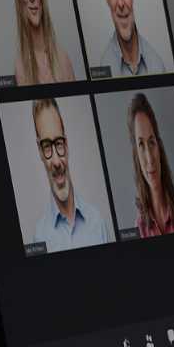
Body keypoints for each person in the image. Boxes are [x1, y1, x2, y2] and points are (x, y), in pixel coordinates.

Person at [24, 100, 105, 253]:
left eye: (59, 143)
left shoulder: (98, 221)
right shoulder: (39, 238)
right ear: (40, 152)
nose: (56, 161)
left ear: (66, 145)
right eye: (47, 146)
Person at [125, 94, 174, 237]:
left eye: (151, 142)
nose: (149, 158)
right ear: (136, 156)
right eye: (141, 144)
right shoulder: (139, 229)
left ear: (159, 147)